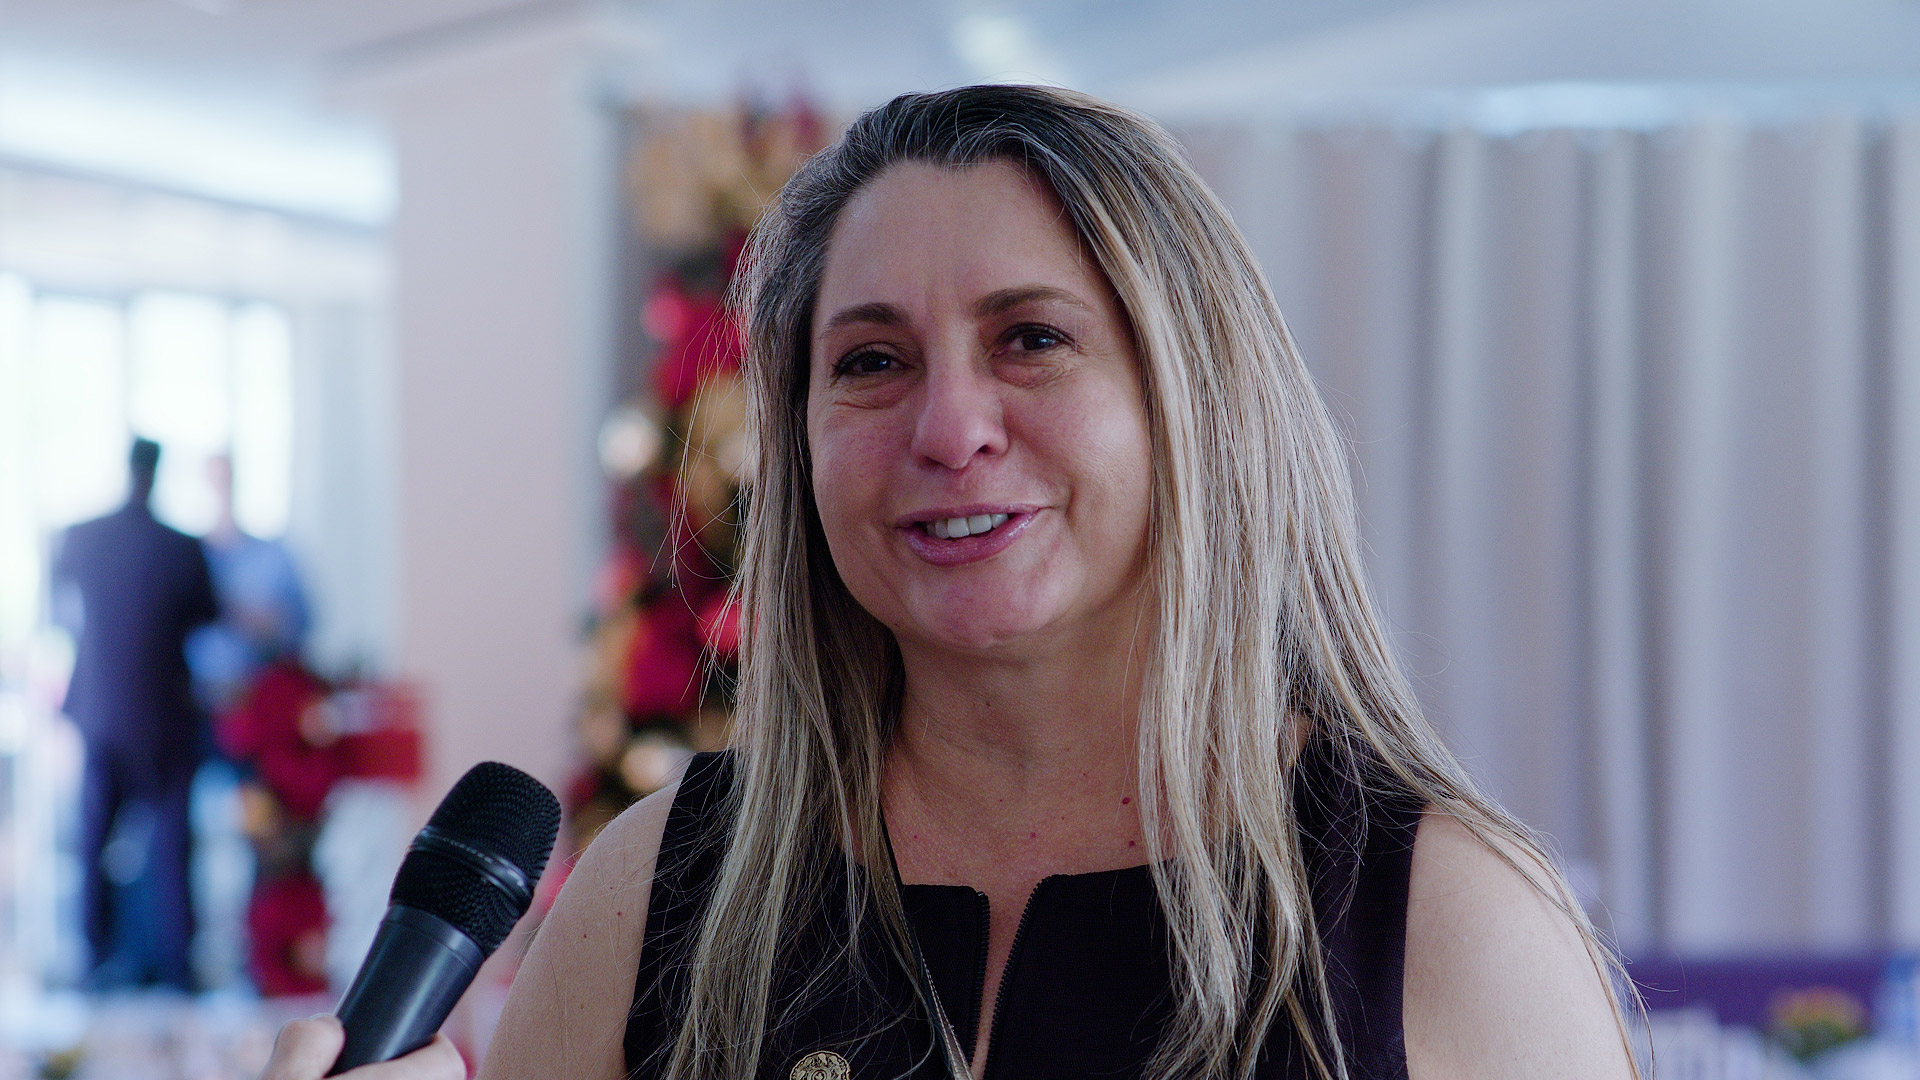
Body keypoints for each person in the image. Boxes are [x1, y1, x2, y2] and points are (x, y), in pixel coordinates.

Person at [263, 85, 1635, 1080]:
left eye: (1031, 338)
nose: (949, 427)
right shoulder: (654, 896)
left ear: (1197, 405)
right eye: (871, 361)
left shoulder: (1445, 922)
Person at [53, 437, 220, 991]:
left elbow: (60, 611)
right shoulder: (181, 547)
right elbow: (208, 615)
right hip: (165, 716)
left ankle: (92, 958)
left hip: (100, 713)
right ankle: (177, 963)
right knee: (172, 844)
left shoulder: (81, 537)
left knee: (93, 840)